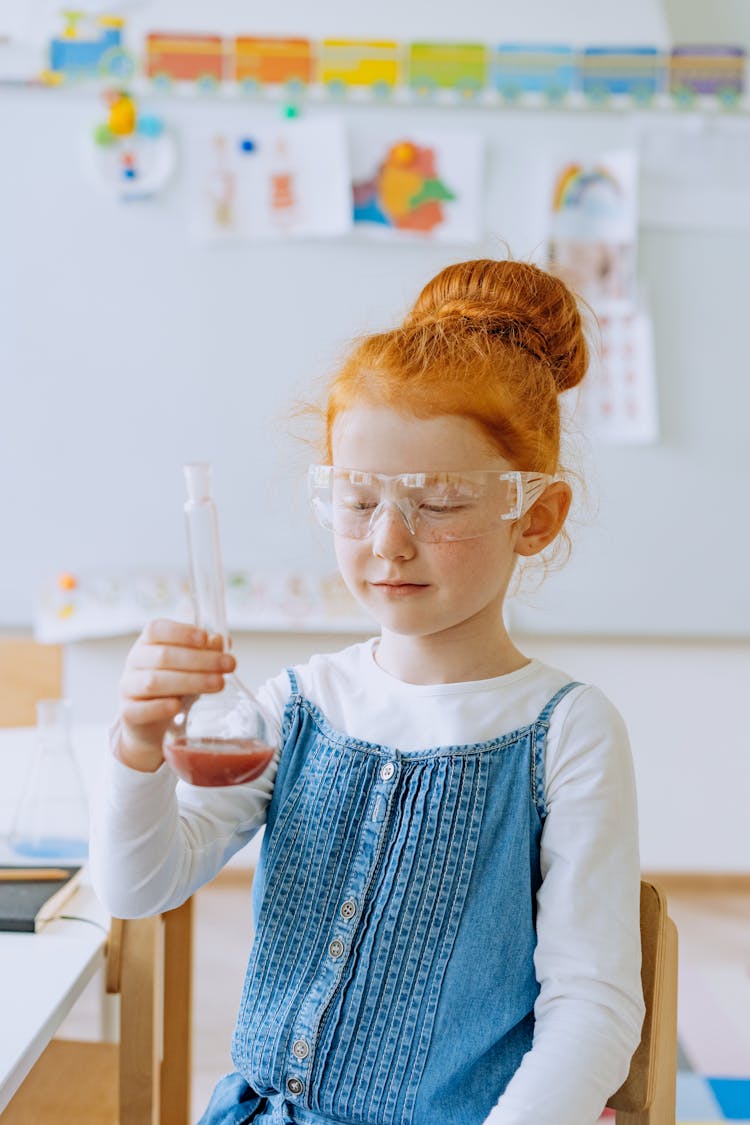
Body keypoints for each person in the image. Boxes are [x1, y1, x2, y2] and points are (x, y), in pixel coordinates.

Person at [90, 257, 645, 1125]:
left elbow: (594, 1005)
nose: (388, 542)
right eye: (356, 500)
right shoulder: (299, 704)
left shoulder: (565, 731)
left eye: (440, 502)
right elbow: (137, 886)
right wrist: (135, 744)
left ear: (534, 515)